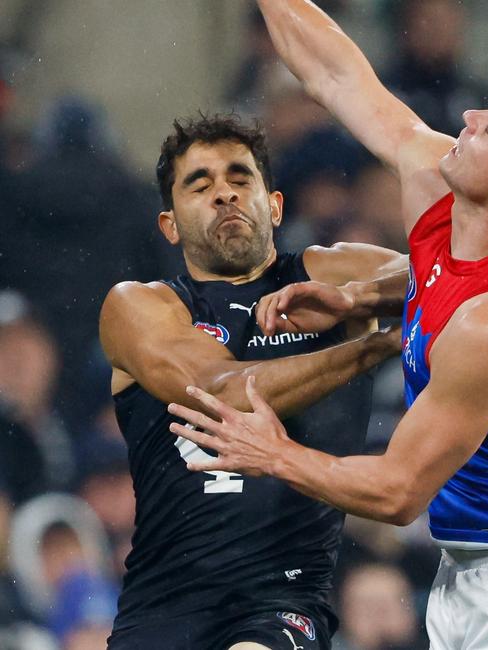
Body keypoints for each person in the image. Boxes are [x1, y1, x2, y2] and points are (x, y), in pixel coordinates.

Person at [170, 1, 488, 648]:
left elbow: (398, 492)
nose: (467, 118)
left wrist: (272, 453)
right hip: (468, 576)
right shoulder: (459, 199)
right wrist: (364, 298)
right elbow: (336, 76)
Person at [98, 113, 406, 650]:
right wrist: (373, 348)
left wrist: (358, 299)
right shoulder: (140, 305)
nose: (225, 195)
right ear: (169, 224)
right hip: (160, 609)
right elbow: (216, 390)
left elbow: (454, 273)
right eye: (201, 184)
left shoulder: (328, 275)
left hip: (283, 601)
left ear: (276, 206)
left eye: (241, 180)